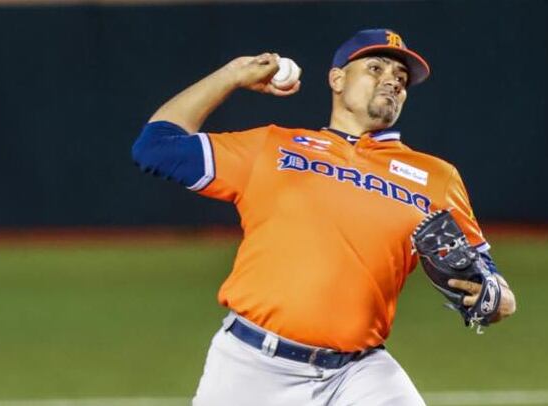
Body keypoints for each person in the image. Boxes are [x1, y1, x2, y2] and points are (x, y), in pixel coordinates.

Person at [132, 28, 516, 406]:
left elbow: (487, 275)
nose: (393, 81)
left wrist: (498, 297)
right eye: (376, 68)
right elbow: (155, 146)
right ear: (337, 79)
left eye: (401, 78)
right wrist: (231, 75)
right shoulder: (272, 147)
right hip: (251, 367)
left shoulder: (436, 177)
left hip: (359, 372)